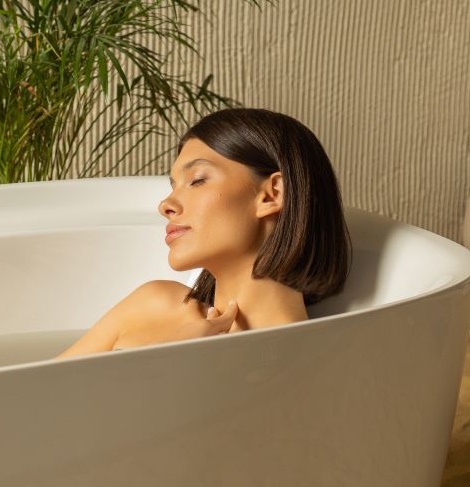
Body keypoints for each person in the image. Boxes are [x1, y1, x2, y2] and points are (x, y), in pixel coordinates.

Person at [55, 106, 352, 357]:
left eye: (197, 180)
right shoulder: (153, 305)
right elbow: (28, 402)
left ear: (271, 195)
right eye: (173, 186)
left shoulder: (309, 360)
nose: (165, 205)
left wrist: (171, 362)